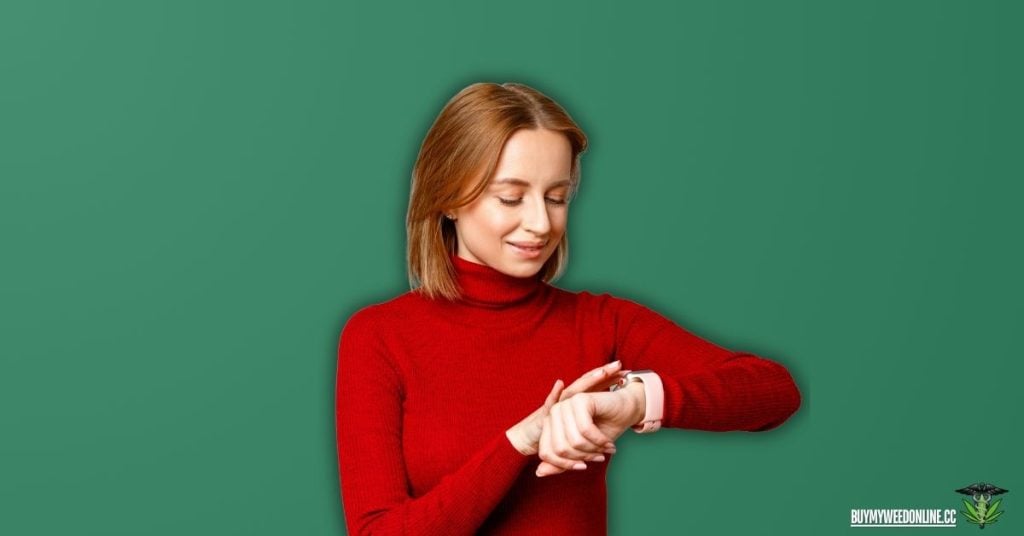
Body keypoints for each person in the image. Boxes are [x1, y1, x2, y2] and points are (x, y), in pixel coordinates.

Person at [335, 82, 801, 535]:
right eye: (511, 197)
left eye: (557, 197)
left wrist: (637, 402)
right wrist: (521, 441)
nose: (541, 223)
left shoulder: (602, 323)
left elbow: (774, 390)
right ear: (449, 199)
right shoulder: (378, 336)